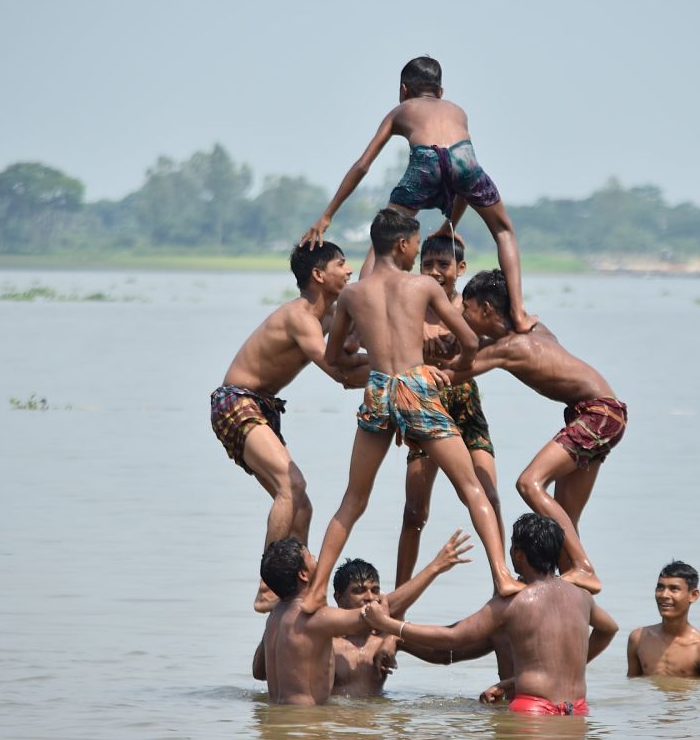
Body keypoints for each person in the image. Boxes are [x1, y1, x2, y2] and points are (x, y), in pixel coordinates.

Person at [299, 209, 524, 613]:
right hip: (416, 389)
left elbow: (335, 355)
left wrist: (370, 357)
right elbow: (471, 342)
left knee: (353, 499)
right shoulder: (422, 286)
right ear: (403, 245)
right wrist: (446, 371)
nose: (420, 252)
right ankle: (502, 576)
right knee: (472, 487)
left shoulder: (353, 294)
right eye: (418, 245)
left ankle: (316, 592)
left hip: (378, 390)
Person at [300, 55, 536, 333]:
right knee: (504, 230)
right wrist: (450, 226)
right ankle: (519, 314)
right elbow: (460, 179)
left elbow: (363, 165)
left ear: (403, 90)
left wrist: (327, 215)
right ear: (441, 92)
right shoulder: (457, 111)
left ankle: (357, 326)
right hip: (464, 159)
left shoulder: (401, 110)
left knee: (382, 242)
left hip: (425, 163)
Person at [446, 269, 626, 594]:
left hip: (597, 414)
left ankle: (584, 568)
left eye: (466, 311)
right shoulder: (533, 329)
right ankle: (574, 588)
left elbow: (451, 374)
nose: (462, 319)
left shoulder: (511, 347)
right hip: (600, 414)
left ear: (486, 309)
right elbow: (484, 343)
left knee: (529, 483)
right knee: (565, 518)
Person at [210, 241, 368, 611]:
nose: (348, 271)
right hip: (236, 401)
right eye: (341, 265)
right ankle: (268, 586)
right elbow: (338, 374)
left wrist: (374, 352)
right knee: (290, 485)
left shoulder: (327, 317)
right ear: (318, 275)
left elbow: (349, 353)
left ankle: (296, 590)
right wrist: (394, 369)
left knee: (303, 506)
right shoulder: (301, 317)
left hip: (263, 407)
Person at [364, 513, 619, 716]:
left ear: (519, 555)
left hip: (533, 712)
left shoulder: (514, 602)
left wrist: (388, 623)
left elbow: (453, 638)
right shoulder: (581, 597)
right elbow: (609, 629)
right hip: (576, 711)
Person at [395, 233, 502, 588]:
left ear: (460, 268)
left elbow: (501, 335)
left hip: (465, 404)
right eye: (428, 265)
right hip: (425, 407)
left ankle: (503, 580)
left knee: (488, 495)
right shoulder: (412, 307)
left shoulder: (468, 309)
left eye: (444, 265)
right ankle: (399, 596)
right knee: (414, 513)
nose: (436, 272)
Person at [254, 530, 471, 705]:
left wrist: (390, 637)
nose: (319, 559)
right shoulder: (315, 619)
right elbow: (370, 616)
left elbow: (258, 671)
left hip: (277, 724)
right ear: (303, 574)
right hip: (306, 726)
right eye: (311, 556)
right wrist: (434, 567)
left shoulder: (274, 619)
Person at [626, 560, 700, 678]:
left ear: (693, 595)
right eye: (660, 587)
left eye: (674, 588)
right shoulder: (638, 638)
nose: (664, 595)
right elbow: (632, 688)